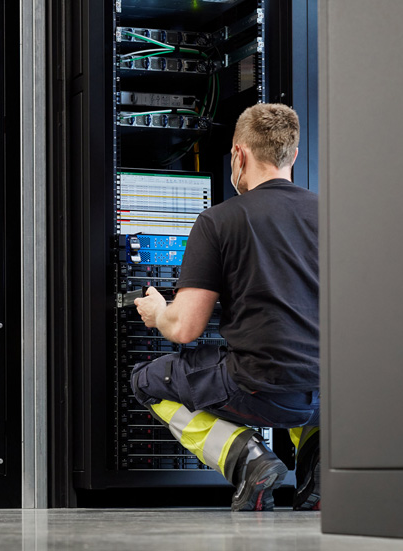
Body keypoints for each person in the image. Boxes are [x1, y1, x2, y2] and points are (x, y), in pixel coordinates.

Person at [131, 103, 320, 512]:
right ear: (294, 154)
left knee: (149, 379)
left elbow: (185, 329)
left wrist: (158, 311)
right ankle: (319, 466)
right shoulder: (336, 217)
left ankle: (246, 458)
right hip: (333, 393)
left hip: (257, 388)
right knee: (314, 378)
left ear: (239, 155)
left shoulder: (219, 220)